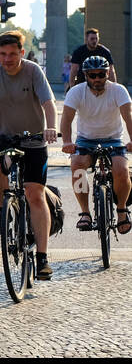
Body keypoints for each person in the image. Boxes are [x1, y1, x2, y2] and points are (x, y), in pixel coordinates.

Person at [0, 30, 58, 279]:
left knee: (34, 194)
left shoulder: (33, 71)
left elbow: (49, 103)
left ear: (22, 53)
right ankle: (3, 209)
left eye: (12, 54)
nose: (7, 59)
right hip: (2, 137)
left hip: (34, 139)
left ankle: (42, 257)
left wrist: (51, 128)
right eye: (2, 54)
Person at [61, 56, 132, 234]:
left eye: (101, 74)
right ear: (86, 75)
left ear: (107, 73)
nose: (97, 79)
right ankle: (85, 212)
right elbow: (66, 119)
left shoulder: (118, 90)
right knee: (77, 167)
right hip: (86, 139)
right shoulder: (76, 92)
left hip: (113, 138)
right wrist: (67, 142)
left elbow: (128, 117)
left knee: (121, 170)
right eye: (92, 75)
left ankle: (122, 209)